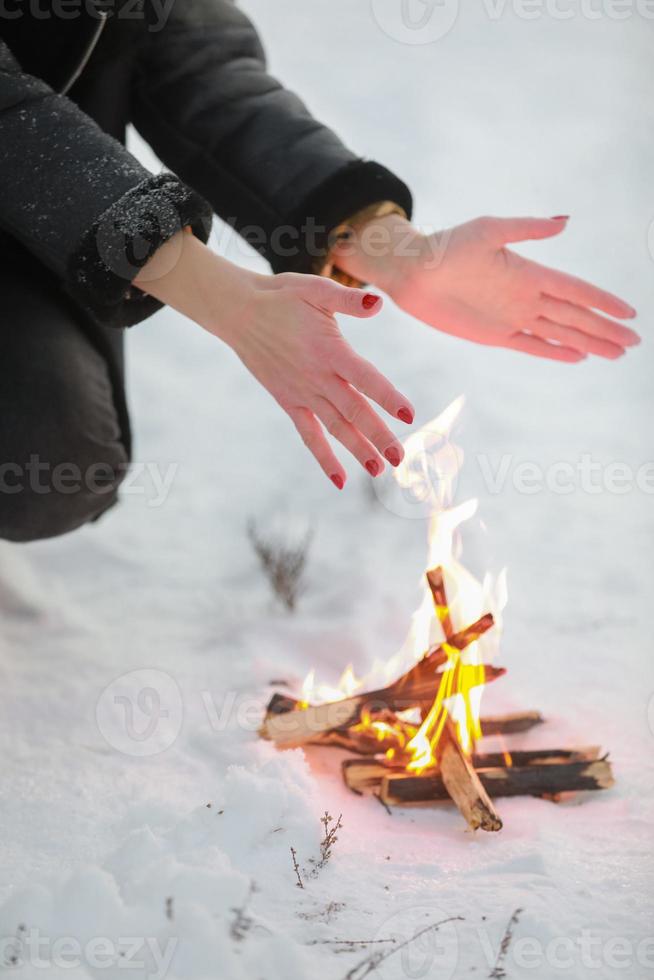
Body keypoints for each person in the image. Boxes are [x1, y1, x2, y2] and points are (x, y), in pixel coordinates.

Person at [0, 0, 639, 543]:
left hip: (34, 205)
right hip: (32, 168)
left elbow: (194, 61)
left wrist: (387, 244)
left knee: (54, 459)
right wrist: (230, 300)